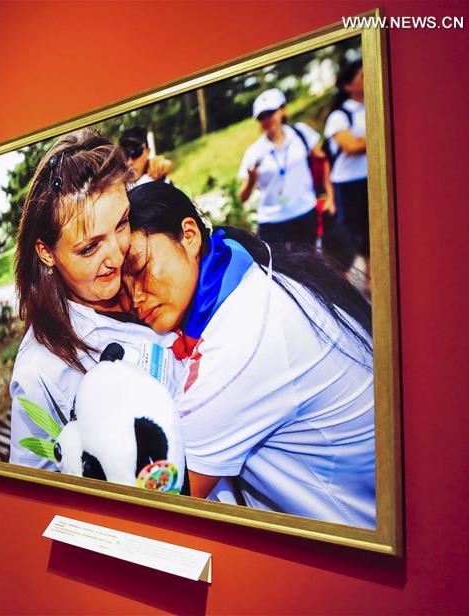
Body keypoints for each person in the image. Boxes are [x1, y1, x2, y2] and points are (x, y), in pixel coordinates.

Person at [123, 180, 376, 527]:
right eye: (122, 286)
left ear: (190, 235)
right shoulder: (239, 271)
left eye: (139, 268)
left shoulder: (243, 335)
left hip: (352, 545)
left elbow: (162, 501)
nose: (135, 296)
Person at [9, 129, 183, 475]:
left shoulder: (152, 265)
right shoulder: (40, 371)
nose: (116, 256)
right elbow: (37, 486)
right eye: (89, 248)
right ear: (46, 252)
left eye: (121, 224)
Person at [239, 88, 333, 250]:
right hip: (272, 222)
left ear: (282, 110)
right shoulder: (254, 152)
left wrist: (330, 196)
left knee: (309, 264)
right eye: (261, 117)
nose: (267, 120)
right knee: (278, 270)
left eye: (270, 113)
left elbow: (323, 160)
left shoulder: (301, 133)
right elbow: (243, 197)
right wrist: (251, 181)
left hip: (304, 211)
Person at [324, 60, 369, 270]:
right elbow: (350, 146)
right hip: (349, 184)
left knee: (372, 230)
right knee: (353, 233)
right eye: (362, 76)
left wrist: (362, 140)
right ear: (348, 86)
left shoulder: (370, 108)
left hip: (370, 178)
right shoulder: (339, 116)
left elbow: (357, 142)